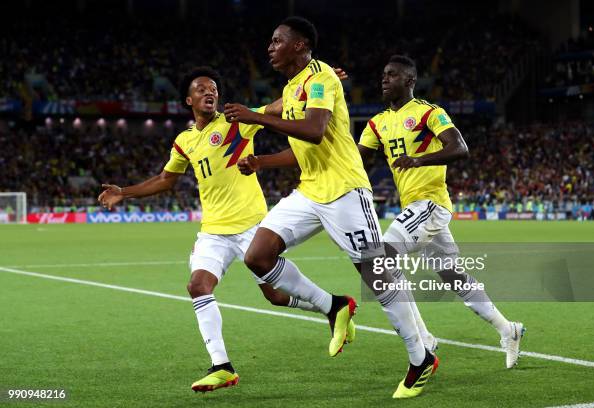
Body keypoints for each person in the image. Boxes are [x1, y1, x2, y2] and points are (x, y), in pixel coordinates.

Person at [97, 66, 352, 394]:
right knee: (198, 285)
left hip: (252, 226)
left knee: (274, 297)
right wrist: (124, 192)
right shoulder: (185, 141)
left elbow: (275, 108)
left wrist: (315, 85)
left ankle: (334, 305)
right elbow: (166, 179)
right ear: (188, 100)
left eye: (213, 88)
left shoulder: (236, 121)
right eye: (202, 89)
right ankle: (222, 367)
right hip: (213, 232)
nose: (209, 92)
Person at [225, 17, 436, 399]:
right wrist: (262, 161)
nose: (269, 47)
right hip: (310, 191)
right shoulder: (293, 88)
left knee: (377, 275)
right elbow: (302, 149)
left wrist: (256, 116)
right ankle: (334, 305)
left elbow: (315, 130)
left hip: (345, 191)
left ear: (300, 45)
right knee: (258, 255)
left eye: (277, 40)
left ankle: (420, 358)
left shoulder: (321, 77)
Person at [358, 55, 525, 368]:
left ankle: (423, 338)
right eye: (383, 74)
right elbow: (355, 161)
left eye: (392, 75)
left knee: (379, 261)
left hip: (430, 203)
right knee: (454, 276)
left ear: (409, 81)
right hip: (414, 208)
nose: (384, 79)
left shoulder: (428, 113)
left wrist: (419, 159)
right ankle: (508, 329)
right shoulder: (376, 122)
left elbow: (459, 147)